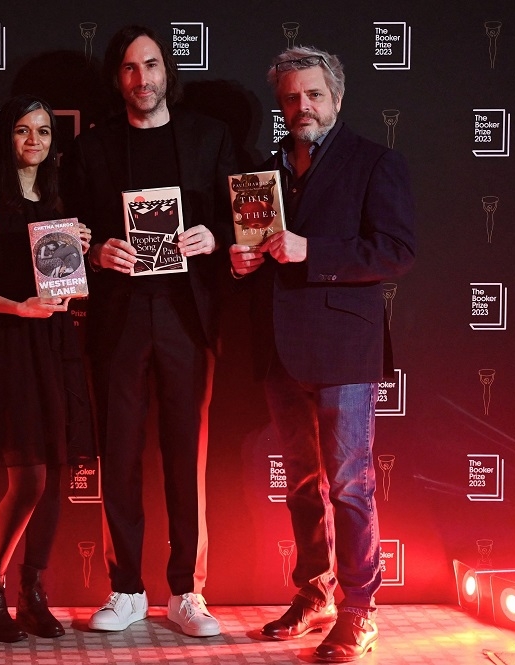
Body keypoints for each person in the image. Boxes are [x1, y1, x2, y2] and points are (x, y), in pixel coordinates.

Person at [229, 46, 416, 662]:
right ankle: (316, 594)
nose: (300, 106)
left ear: (336, 97)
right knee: (303, 487)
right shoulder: (265, 170)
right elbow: (265, 252)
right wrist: (243, 262)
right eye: (289, 97)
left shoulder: (375, 162)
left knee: (350, 486)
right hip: (281, 349)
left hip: (343, 351)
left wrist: (315, 252)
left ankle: (360, 610)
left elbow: (395, 252)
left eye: (312, 94)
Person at [62, 25, 236, 637]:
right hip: (119, 316)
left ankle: (186, 590)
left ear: (168, 71)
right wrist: (96, 253)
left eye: (153, 65)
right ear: (118, 79)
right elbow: (68, 237)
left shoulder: (209, 137)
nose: (143, 79)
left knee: (185, 457)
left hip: (187, 317)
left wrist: (213, 237)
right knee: (121, 457)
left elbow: (240, 219)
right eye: (132, 69)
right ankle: (126, 587)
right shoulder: (91, 148)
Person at [0, 94, 96, 642]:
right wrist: (19, 307)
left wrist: (78, 249)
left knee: (56, 471)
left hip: (57, 345)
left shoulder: (59, 199)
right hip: (10, 343)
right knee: (30, 478)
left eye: (42, 131)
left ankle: (32, 591)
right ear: (4, 138)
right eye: (20, 130)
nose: (33, 141)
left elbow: (65, 283)